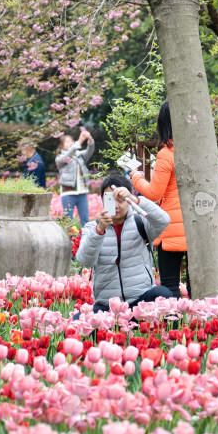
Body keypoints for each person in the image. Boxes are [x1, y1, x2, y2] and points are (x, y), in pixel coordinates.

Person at [76, 173, 173, 312]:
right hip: (108, 305)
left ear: (128, 200)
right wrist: (99, 231)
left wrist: (137, 199)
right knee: (78, 322)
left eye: (120, 199)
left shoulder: (140, 223)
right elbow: (85, 260)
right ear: (102, 199)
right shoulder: (92, 228)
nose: (115, 205)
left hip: (140, 302)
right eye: (110, 199)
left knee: (163, 295)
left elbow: (164, 220)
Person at [127, 101, 189, 299]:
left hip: (171, 228)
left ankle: (174, 326)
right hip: (195, 227)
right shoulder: (197, 151)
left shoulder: (166, 154)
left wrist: (134, 176)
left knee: (170, 284)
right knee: (197, 282)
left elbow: (154, 193)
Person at [56, 128, 95, 225]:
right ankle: (69, 240)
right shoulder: (60, 158)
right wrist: (79, 142)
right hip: (68, 193)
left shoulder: (79, 155)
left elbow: (89, 152)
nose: (70, 143)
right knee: (67, 222)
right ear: (62, 145)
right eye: (67, 142)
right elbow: (66, 156)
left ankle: (85, 240)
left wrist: (90, 140)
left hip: (82, 193)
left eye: (71, 141)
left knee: (85, 221)